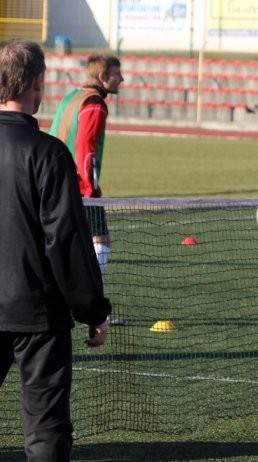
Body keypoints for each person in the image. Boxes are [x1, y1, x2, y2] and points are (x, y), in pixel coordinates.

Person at [0, 38, 111, 461]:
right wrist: (93, 310)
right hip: (37, 314)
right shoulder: (48, 153)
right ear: (37, 84)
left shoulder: (49, 152)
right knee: (46, 428)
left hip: (30, 311)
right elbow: (67, 240)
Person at [49, 53, 124, 324]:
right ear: (103, 77)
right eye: (117, 74)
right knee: (100, 242)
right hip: (80, 188)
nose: (122, 79)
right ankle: (92, 308)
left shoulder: (72, 96)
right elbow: (86, 148)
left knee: (63, 246)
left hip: (54, 181)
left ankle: (60, 302)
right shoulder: (94, 103)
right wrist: (90, 189)